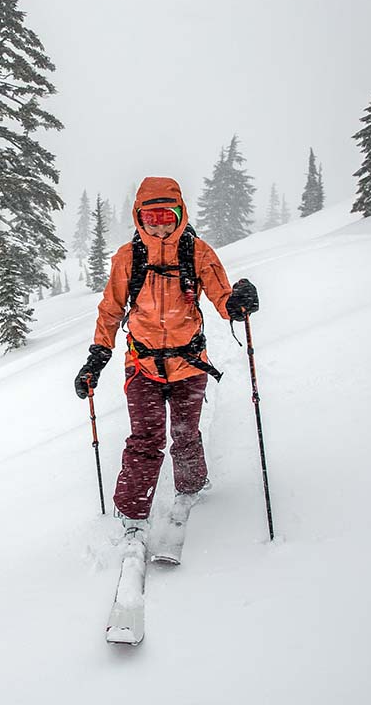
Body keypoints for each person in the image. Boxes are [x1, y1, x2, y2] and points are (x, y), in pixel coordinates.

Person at [74, 176, 258, 544]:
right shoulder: (128, 258)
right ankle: (132, 512)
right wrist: (97, 357)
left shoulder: (198, 252)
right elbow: (110, 311)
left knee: (185, 433)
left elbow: (223, 298)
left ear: (180, 213)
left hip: (189, 366)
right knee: (145, 438)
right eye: (152, 216)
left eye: (167, 214)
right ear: (139, 217)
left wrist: (237, 304)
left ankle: (190, 489)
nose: (160, 224)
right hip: (142, 366)